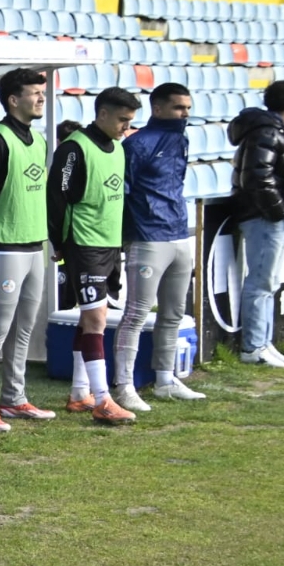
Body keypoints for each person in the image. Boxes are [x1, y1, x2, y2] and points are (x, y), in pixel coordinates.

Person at [0, 68, 56, 432]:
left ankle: (14, 399)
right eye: (34, 92)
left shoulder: (39, 140)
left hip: (34, 245)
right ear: (13, 99)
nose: (41, 98)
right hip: (2, 248)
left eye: (42, 92)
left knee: (24, 328)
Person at [48, 87, 140, 425]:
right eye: (122, 120)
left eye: (130, 121)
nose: (126, 127)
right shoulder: (74, 148)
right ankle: (103, 399)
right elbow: (56, 198)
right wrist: (59, 242)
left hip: (109, 246)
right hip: (83, 245)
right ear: (102, 114)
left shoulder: (118, 147)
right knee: (96, 319)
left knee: (89, 317)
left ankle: (79, 393)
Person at [114, 83, 204, 409]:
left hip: (179, 233)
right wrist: (127, 235)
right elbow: (123, 192)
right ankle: (124, 386)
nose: (185, 114)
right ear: (158, 108)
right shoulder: (137, 144)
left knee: (174, 312)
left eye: (188, 108)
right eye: (179, 107)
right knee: (136, 313)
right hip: (147, 237)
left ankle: (165, 379)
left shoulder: (181, 139)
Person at [229, 80, 284, 368]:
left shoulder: (278, 130)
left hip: (274, 217)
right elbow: (258, 177)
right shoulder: (267, 132)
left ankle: (264, 343)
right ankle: (253, 347)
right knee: (260, 281)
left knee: (269, 282)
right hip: (264, 218)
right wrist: (279, 211)